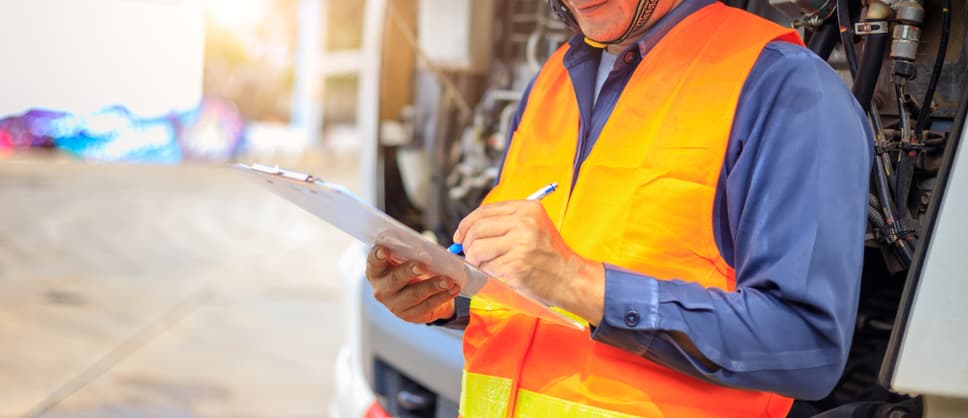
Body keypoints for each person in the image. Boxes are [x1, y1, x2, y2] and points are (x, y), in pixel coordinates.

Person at [365, 0, 873, 416]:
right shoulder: (552, 81)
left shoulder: (786, 89)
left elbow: (806, 346)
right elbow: (541, 289)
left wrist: (577, 283)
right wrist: (449, 294)